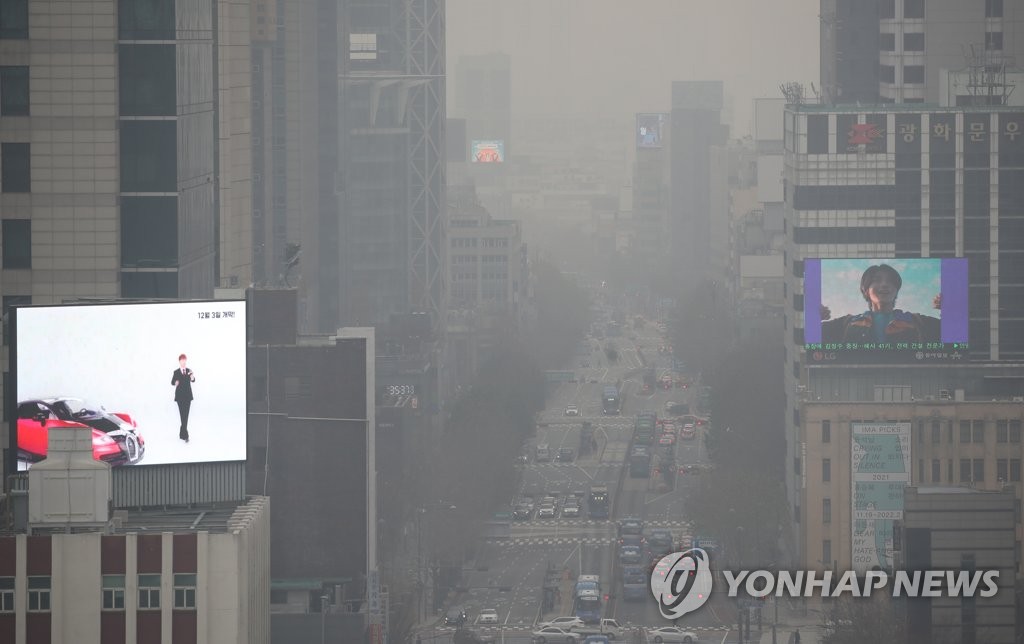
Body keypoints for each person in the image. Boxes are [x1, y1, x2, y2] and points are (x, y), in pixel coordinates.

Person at [820, 263, 941, 345]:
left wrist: (946, 309)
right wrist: (815, 316)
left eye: (890, 281)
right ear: (866, 290)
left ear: (896, 290)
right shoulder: (848, 323)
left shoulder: (916, 321)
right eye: (877, 280)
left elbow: (953, 333)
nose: (884, 284)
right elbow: (811, 337)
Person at [171, 353, 196, 442]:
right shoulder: (176, 372)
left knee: (186, 415)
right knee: (183, 415)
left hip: (188, 396)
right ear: (179, 361)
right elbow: (172, 382)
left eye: (185, 360)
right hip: (180, 397)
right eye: (182, 361)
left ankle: (182, 434)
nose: (183, 362)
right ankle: (185, 436)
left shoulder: (189, 370)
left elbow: (193, 380)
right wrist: (175, 382)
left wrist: (192, 376)